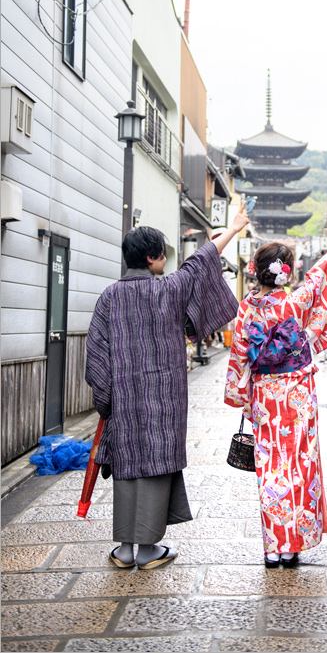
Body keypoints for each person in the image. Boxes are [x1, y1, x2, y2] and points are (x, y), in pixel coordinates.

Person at [85, 207, 248, 570]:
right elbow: (202, 259)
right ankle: (147, 551)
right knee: (157, 463)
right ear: (152, 258)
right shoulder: (170, 290)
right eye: (162, 253)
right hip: (165, 400)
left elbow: (95, 352)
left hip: (124, 401)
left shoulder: (109, 298)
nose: (166, 259)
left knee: (128, 465)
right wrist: (233, 229)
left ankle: (125, 550)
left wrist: (106, 401)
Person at [225, 214, 327, 568]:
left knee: (270, 466)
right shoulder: (295, 302)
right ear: (286, 272)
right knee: (300, 464)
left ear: (257, 271)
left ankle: (273, 546)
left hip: (264, 395)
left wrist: (242, 398)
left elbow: (240, 357)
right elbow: (323, 272)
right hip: (298, 391)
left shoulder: (246, 309)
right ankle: (292, 545)